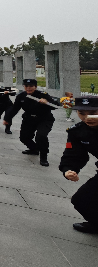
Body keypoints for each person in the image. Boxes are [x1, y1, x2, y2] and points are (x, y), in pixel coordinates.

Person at [58, 96, 98, 233]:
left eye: (92, 113)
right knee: (81, 200)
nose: (87, 117)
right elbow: (74, 153)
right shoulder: (77, 131)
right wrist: (68, 169)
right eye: (82, 113)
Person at [3, 78, 59, 167]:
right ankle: (34, 149)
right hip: (29, 118)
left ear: (35, 87)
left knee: (41, 136)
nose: (28, 88)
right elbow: (15, 109)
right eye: (26, 86)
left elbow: (56, 105)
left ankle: (43, 157)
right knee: (23, 137)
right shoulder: (21, 96)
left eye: (31, 86)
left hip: (44, 119)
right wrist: (7, 119)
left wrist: (47, 102)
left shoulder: (42, 95)